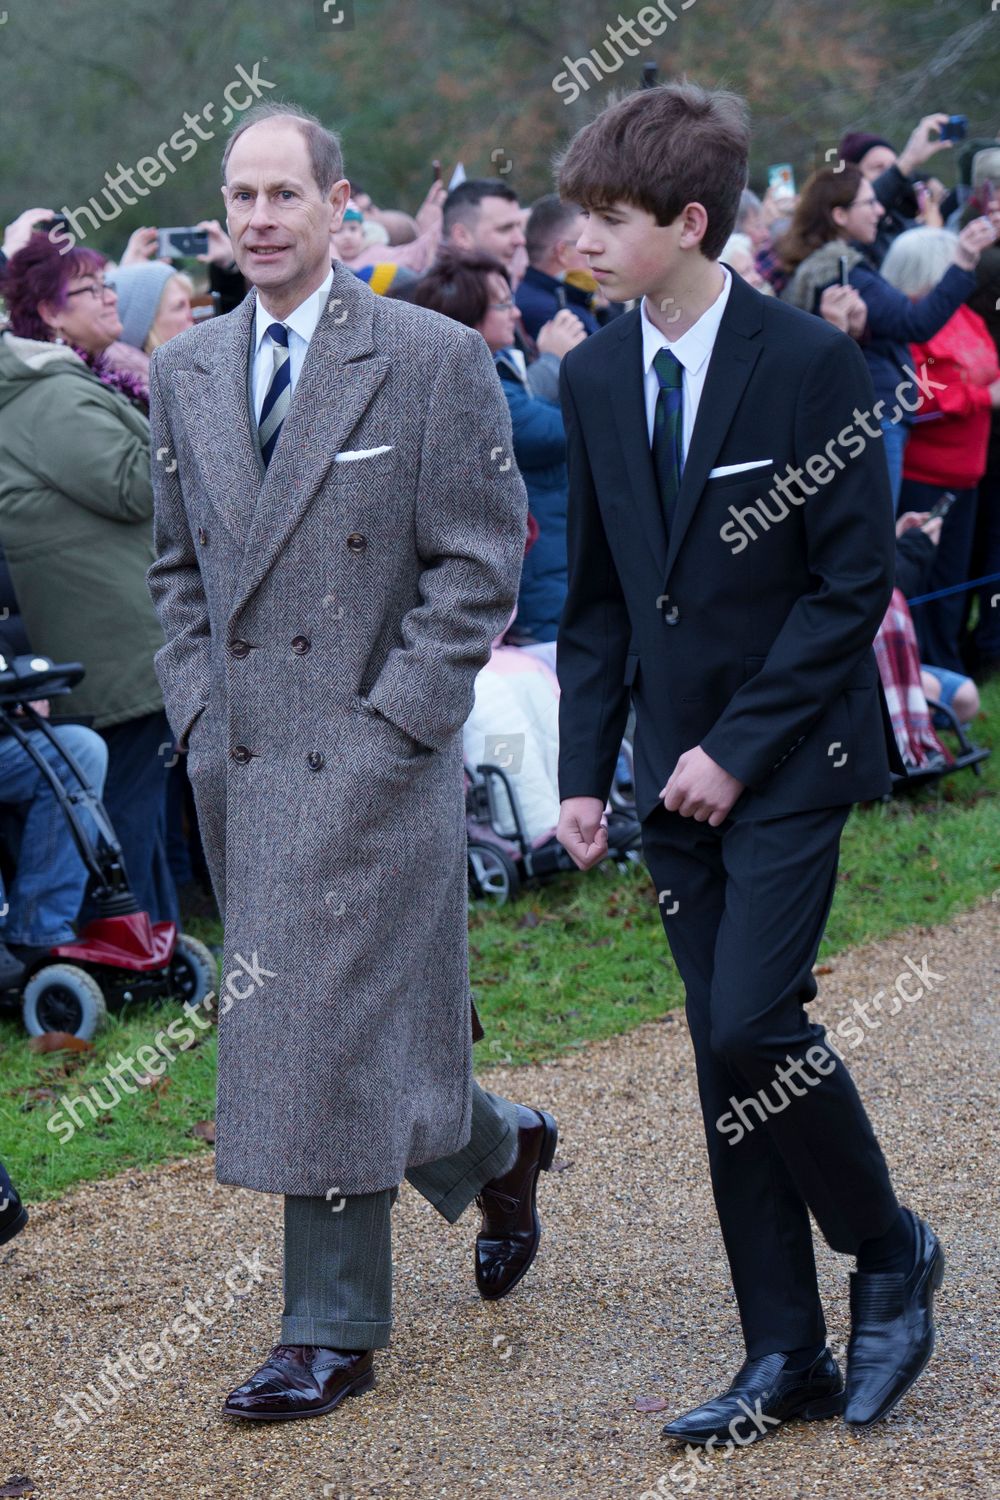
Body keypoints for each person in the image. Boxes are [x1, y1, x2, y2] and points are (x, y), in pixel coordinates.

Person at [146, 101, 558, 1423]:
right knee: (338, 1027)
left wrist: (397, 723)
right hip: (249, 762)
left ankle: (327, 1327)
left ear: (339, 206)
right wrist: (200, 710)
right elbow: (176, 571)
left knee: (319, 1030)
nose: (259, 219)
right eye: (240, 197)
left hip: (382, 765)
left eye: (284, 194)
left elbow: (483, 555)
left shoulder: (429, 357)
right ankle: (501, 1142)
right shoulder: (187, 370)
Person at [553, 80, 943, 1444]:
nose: (580, 242)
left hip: (788, 756)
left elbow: (849, 587)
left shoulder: (811, 364)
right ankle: (784, 1351)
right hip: (665, 780)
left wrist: (730, 748)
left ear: (691, 220)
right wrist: (583, 771)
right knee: (726, 1060)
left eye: (608, 220)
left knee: (753, 1024)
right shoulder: (592, 371)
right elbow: (598, 600)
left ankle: (890, 1250)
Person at [0, 234, 178, 925]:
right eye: (91, 290)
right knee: (130, 808)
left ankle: (159, 942)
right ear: (47, 312)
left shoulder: (68, 382)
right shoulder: (48, 398)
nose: (112, 298)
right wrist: (178, 412)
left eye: (110, 285)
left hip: (120, 629)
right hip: (115, 638)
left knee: (141, 804)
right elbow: (136, 487)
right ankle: (134, 948)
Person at [779, 166, 993, 506]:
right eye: (869, 203)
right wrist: (963, 262)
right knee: (874, 535)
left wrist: (860, 331)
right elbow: (914, 322)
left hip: (868, 416)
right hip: (873, 418)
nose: (880, 210)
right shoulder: (840, 269)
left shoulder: (829, 266)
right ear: (839, 215)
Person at [413, 248, 584, 651]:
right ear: (469, 313)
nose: (518, 313)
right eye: (504, 304)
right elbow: (553, 430)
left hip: (547, 572)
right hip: (535, 587)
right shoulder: (469, 386)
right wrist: (557, 362)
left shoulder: (502, 365)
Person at [879, 227, 1000, 675]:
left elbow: (986, 362)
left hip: (966, 473)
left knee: (953, 583)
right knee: (921, 584)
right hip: (924, 478)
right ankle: (921, 682)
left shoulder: (962, 316)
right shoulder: (910, 322)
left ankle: (947, 676)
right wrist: (983, 397)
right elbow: (917, 397)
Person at [839, 116, 957, 264]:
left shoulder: (902, 217)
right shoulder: (855, 231)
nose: (889, 173)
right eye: (878, 167)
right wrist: (909, 160)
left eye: (892, 166)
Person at [516, 194, 602, 339]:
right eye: (589, 242)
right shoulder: (550, 313)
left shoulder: (566, 299)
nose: (598, 250)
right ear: (562, 252)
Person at [102, 261, 195, 391]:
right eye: (179, 306)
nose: (191, 316)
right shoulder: (137, 393)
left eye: (190, 305)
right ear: (144, 325)